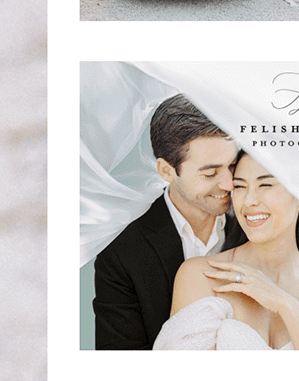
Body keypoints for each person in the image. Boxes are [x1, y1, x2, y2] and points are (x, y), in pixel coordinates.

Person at [154, 152, 299, 349]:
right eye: (239, 187)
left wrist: (288, 306)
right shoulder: (201, 276)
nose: (249, 201)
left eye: (265, 184)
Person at [93, 95, 237, 349]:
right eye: (211, 172)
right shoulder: (120, 253)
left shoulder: (256, 229)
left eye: (233, 166)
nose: (229, 184)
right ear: (167, 171)